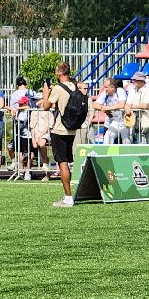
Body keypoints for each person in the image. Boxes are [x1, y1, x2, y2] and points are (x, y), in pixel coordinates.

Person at [46, 63, 86, 207]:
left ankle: (68, 197)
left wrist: (46, 92)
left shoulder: (58, 88)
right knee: (67, 162)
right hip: (71, 129)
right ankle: (68, 196)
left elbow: (46, 106)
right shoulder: (74, 86)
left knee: (62, 163)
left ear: (59, 73)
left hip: (59, 129)